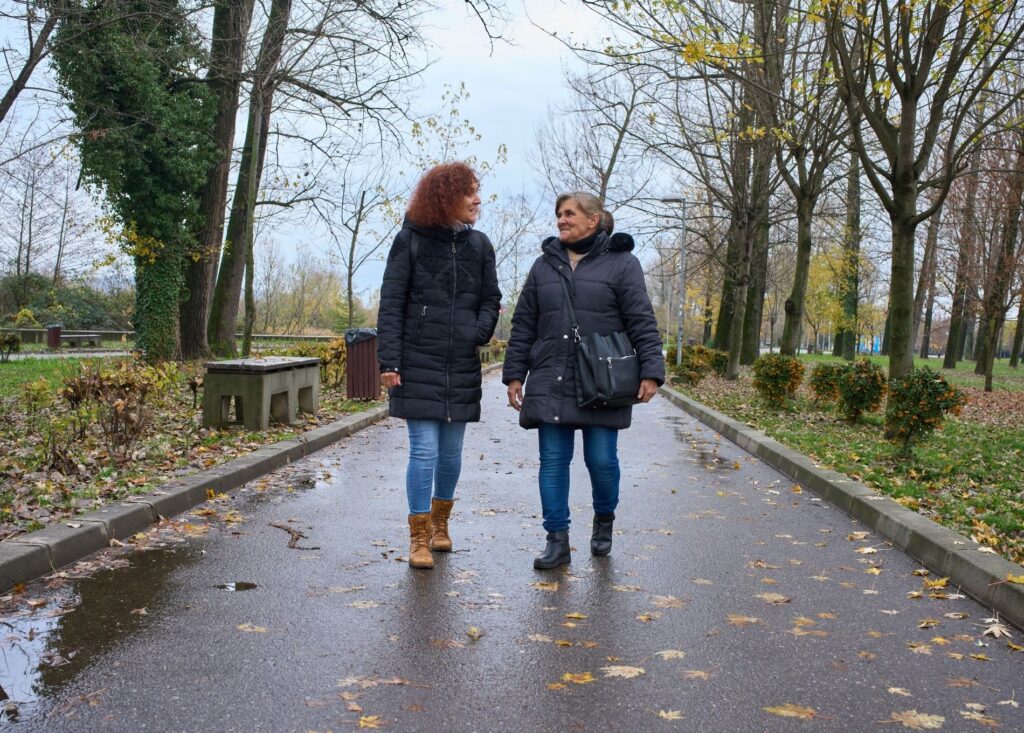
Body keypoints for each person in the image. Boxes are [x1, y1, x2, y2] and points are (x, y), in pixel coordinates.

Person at [502, 192, 664, 569]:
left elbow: (641, 319)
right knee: (553, 462)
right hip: (550, 377)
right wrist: (514, 375)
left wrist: (652, 372)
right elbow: (524, 323)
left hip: (602, 380)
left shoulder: (623, 264)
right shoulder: (544, 266)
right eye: (558, 214)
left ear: (594, 219)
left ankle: (603, 521)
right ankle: (556, 541)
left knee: (602, 461)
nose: (561, 219)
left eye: (569, 213)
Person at [377, 162, 501, 570]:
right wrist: (389, 360)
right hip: (417, 361)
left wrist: (478, 331)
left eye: (476, 191)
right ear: (446, 197)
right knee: (424, 450)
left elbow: (490, 298)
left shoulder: (480, 245)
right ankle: (417, 539)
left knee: (451, 454)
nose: (477, 200)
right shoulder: (409, 240)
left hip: (460, 364)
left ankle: (440, 526)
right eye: (469, 192)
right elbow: (392, 302)